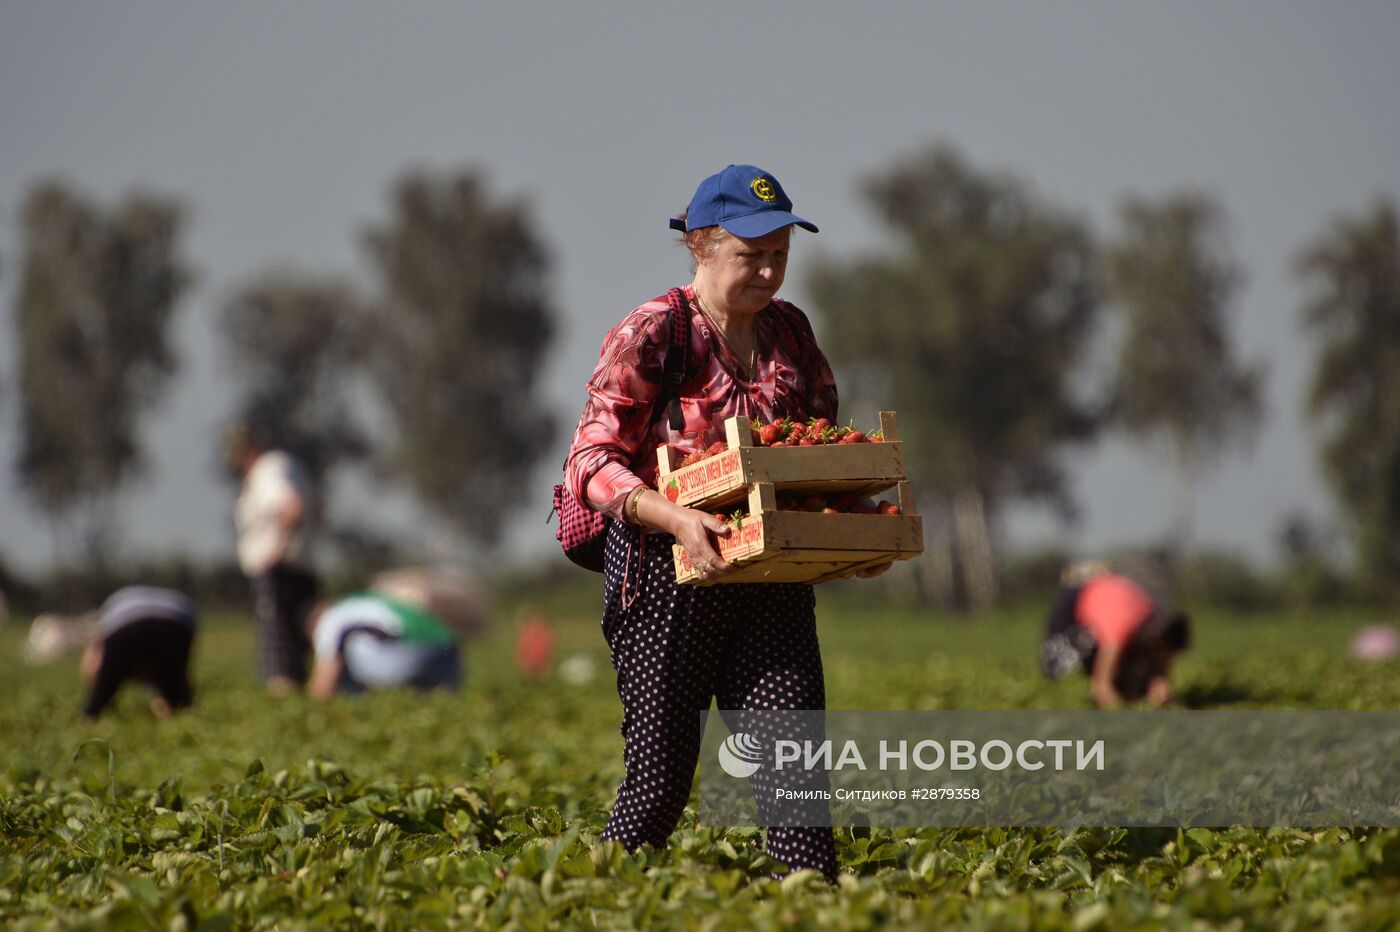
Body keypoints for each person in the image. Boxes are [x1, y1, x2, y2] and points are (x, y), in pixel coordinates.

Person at [564, 164, 889, 880]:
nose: (769, 270)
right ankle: (585, 904)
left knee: (795, 778)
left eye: (779, 253)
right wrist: (678, 519)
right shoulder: (656, 332)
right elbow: (589, 463)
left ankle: (808, 906)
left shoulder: (791, 334)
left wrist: (853, 529)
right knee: (659, 787)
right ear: (702, 245)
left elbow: (812, 454)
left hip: (769, 579)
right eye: (751, 254)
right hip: (667, 576)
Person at [227, 426, 320, 695]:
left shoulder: (267, 470)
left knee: (280, 663)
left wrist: (275, 551)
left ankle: (286, 710)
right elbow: (318, 509)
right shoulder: (289, 466)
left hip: (278, 575)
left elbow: (291, 506)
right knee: (299, 653)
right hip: (300, 569)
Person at [1041, 562, 1191, 708]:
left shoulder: (1155, 623)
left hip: (1111, 599)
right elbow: (1102, 687)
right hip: (1080, 600)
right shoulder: (1119, 629)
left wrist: (1162, 689)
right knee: (1060, 668)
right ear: (1157, 644)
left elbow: (1159, 672)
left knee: (1133, 677)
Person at [305, 590, 462, 698]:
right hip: (450, 656)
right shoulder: (368, 601)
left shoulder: (331, 617)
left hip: (407, 657)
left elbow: (323, 685)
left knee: (345, 655)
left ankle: (356, 708)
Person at [79, 586, 197, 719]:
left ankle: (93, 715)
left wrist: (97, 686)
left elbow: (94, 658)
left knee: (98, 701)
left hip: (125, 620)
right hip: (177, 617)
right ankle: (178, 712)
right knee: (176, 693)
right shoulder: (150, 669)